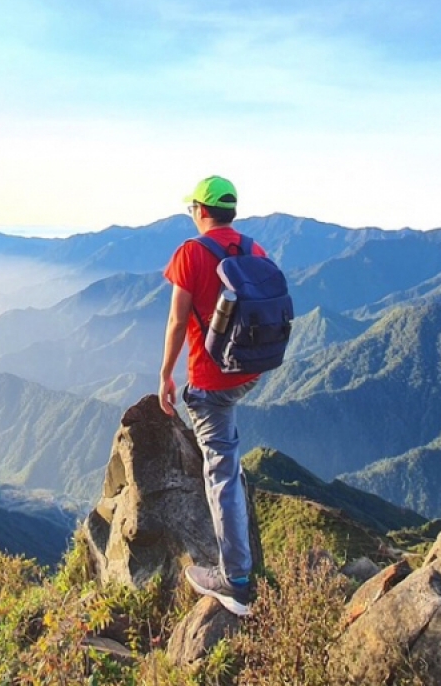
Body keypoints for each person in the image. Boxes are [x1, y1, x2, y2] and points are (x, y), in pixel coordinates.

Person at [159, 174, 268, 616]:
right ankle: (240, 550)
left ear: (201, 210)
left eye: (192, 209)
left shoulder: (191, 253)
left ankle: (235, 581)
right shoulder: (253, 250)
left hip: (211, 380)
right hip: (249, 372)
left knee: (220, 473)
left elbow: (176, 321)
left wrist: (166, 375)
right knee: (228, 457)